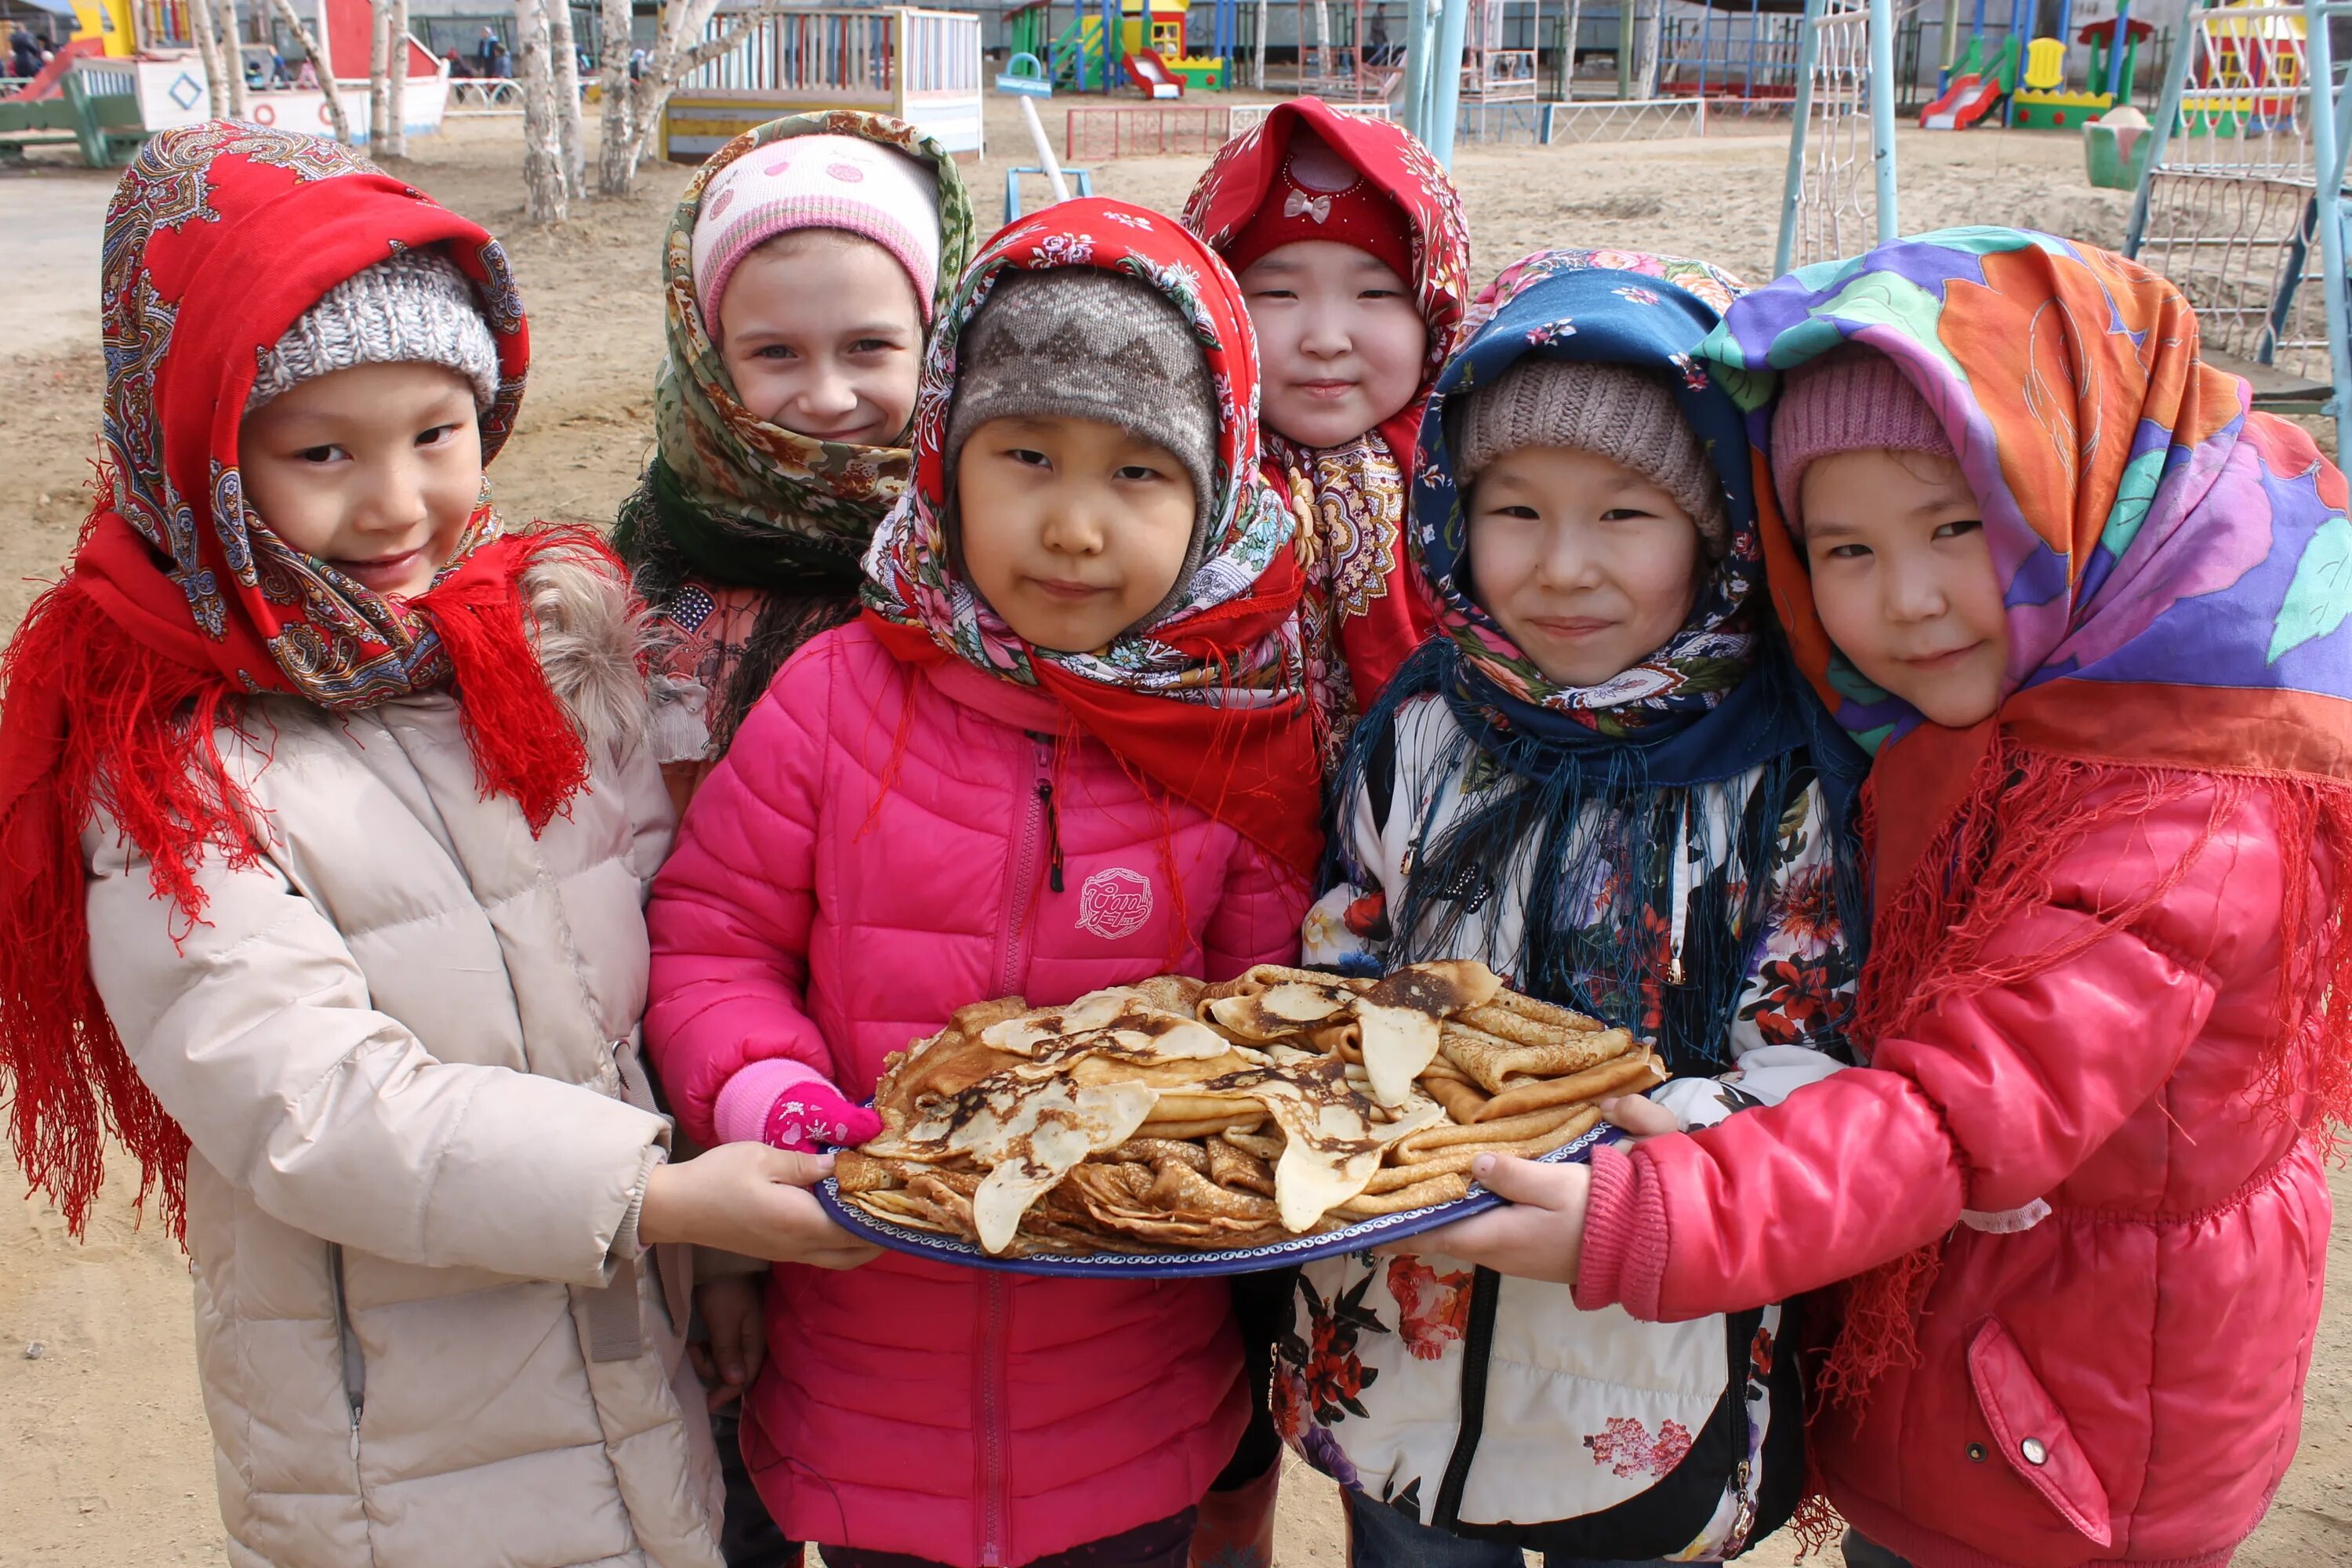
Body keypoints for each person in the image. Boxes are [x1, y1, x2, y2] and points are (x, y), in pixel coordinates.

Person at [0, 124, 875, 1568]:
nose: (399, 503)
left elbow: (657, 975)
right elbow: (313, 1105)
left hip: (625, 1357)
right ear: (201, 452)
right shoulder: (175, 759)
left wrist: (710, 1246)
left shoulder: (541, 654)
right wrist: (651, 1198)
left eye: (436, 433)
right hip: (391, 1454)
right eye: (321, 451)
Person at [1420, 230, 2352, 1568]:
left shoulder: (2180, 815)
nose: (1903, 603)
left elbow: (1962, 1114)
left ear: (2088, 493)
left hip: (2082, 1445)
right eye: (1841, 549)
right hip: (1972, 1374)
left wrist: (1667, 1216)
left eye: (1962, 526)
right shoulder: (2010, 715)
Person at [643, 197, 1323, 1568]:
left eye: (1139, 474)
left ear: (1221, 484)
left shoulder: (1239, 730)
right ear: (946, 459)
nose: (1074, 528)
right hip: (862, 1372)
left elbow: (1273, 1018)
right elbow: (713, 936)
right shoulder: (838, 698)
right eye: (1027, 457)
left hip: (1125, 1388)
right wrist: (763, 1090)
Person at [1277, 250, 1864, 1566]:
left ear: (1715, 523)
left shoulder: (1774, 768)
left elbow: (1811, 1059)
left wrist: (1612, 1178)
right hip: (1398, 1321)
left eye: (1626, 515)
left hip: (1641, 1340)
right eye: (1517, 510)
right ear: (1455, 512)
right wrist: (1359, 1073)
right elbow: (1345, 931)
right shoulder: (1427, 719)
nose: (1562, 567)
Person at [614, 114, 973, 814]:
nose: (829, 398)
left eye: (869, 345)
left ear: (932, 335)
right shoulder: (663, 575)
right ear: (708, 358)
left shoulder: (984, 543)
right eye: (775, 352)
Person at [1183, 96, 1471, 761]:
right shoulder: (1180, 462)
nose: (1325, 339)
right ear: (1213, 305)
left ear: (1435, 310)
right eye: (1278, 294)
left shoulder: (1479, 462)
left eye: (1376, 294)